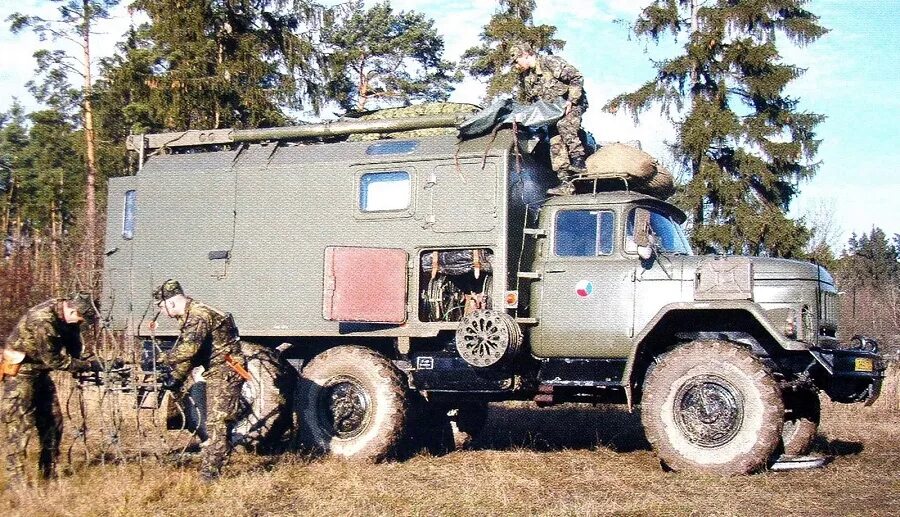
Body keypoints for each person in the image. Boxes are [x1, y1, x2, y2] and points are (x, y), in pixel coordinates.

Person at [0, 292, 102, 488]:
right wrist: (87, 366)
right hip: (21, 374)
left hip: (41, 373)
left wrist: (82, 359)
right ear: (72, 310)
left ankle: (48, 473)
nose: (80, 324)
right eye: (80, 319)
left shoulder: (68, 316)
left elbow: (74, 344)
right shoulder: (43, 319)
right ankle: (17, 483)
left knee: (53, 422)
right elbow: (53, 360)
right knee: (19, 425)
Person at [153, 279, 246, 481]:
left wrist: (164, 358)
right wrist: (177, 377)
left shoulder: (197, 315)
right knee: (217, 423)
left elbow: (189, 350)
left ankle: (210, 475)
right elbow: (195, 355)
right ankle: (217, 460)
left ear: (170, 302)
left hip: (226, 371)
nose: (161, 312)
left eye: (160, 306)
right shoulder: (192, 314)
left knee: (217, 422)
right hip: (219, 369)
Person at [509, 41, 589, 195]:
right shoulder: (527, 77)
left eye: (516, 61)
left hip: (572, 103)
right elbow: (532, 101)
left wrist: (571, 100)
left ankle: (579, 161)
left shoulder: (549, 62)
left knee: (564, 125)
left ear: (525, 55)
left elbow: (576, 77)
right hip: (551, 112)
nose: (516, 66)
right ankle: (566, 184)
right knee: (555, 143)